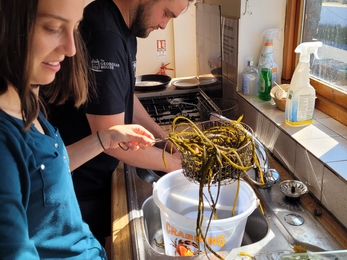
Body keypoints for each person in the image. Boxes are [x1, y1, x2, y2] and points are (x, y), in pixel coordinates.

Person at [0, 0, 155, 259]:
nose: (71, 49)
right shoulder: (5, 142)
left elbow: (49, 171)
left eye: (75, 28)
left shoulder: (27, 105)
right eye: (52, 28)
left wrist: (104, 138)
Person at [47, 0, 195, 249]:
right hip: (78, 185)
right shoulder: (105, 36)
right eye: (166, 14)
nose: (163, 24)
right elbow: (111, 141)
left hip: (95, 177)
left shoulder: (125, 29)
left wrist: (161, 137)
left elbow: (125, 96)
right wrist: (181, 166)